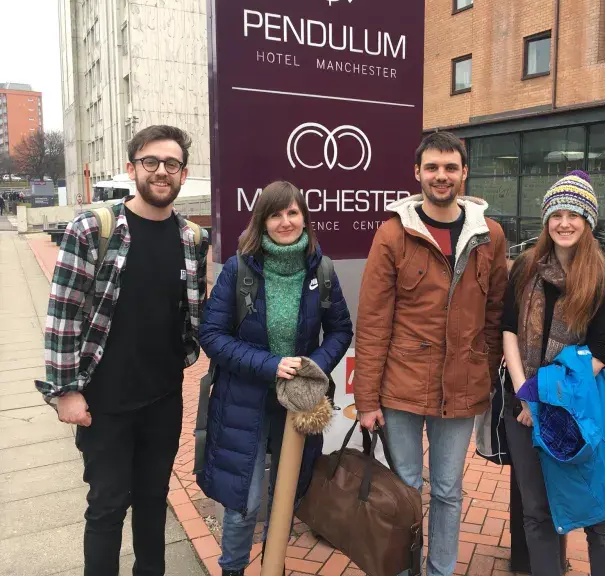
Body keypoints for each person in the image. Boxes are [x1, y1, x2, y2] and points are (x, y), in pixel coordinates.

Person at [34, 125, 208, 576]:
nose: (161, 171)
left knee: (153, 501)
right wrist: (65, 391)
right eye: (151, 162)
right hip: (104, 402)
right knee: (107, 507)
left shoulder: (192, 238)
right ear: (133, 168)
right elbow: (62, 314)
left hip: (163, 398)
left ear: (183, 173)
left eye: (171, 164)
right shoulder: (95, 228)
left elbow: (192, 313)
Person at [355, 131, 508, 576]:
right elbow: (373, 322)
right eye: (433, 168)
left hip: (460, 388)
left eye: (450, 167)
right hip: (401, 388)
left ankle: (440, 571)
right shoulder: (392, 234)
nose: (442, 176)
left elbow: (495, 313)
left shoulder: (490, 235)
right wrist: (366, 399)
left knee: (447, 491)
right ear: (417, 173)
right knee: (405, 490)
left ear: (464, 173)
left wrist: (483, 370)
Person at [197, 181, 353, 576]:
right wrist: (270, 364)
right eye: (275, 214)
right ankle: (233, 569)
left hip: (298, 403)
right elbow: (212, 336)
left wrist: (314, 365)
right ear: (262, 221)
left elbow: (340, 330)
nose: (285, 222)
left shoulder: (322, 269)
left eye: (292, 213)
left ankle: (273, 565)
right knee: (244, 502)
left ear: (304, 218)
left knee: (286, 496)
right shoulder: (238, 269)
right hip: (242, 401)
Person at [501, 170, 605, 575]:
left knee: (597, 513)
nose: (564, 223)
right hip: (521, 404)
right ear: (546, 220)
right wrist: (524, 394)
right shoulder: (525, 268)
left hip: (576, 408)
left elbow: (600, 354)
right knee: (536, 511)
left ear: (588, 221)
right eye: (556, 214)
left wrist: (544, 399)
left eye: (574, 214)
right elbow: (508, 329)